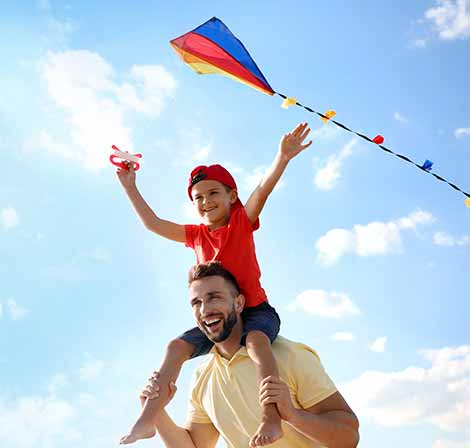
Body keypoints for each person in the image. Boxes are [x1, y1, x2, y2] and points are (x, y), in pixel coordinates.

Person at [117, 123, 313, 446]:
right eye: (198, 197)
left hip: (255, 313)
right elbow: (152, 224)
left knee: (256, 344)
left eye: (213, 194)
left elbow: (262, 189)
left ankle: (271, 415)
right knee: (175, 347)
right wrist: (129, 186)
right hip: (217, 321)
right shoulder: (195, 236)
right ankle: (147, 418)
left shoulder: (241, 222)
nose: (206, 201)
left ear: (231, 196)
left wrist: (283, 157)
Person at [140, 261, 360, 448]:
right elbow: (195, 445)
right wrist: (155, 410)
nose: (205, 310)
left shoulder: (289, 355)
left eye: (214, 297)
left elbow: (349, 436)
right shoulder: (202, 376)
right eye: (196, 303)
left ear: (239, 303)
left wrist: (293, 415)